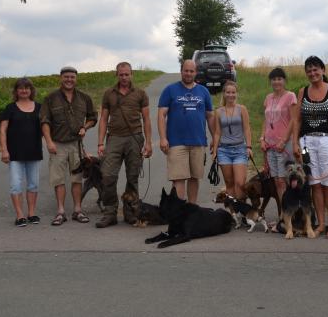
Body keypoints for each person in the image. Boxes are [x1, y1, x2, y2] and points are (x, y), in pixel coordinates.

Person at [292, 56, 328, 239]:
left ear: (323, 70)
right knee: (314, 182)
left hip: (327, 141)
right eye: (309, 70)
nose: (313, 73)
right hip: (307, 142)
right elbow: (297, 120)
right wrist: (295, 143)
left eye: (316, 69)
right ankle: (321, 223)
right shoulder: (303, 91)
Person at [95, 62, 153, 228]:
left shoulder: (140, 94)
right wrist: (100, 143)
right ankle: (110, 212)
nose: (124, 77)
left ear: (131, 74)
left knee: (132, 177)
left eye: (127, 74)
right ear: (117, 75)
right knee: (107, 175)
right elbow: (104, 119)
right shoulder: (108, 94)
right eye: (121, 74)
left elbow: (146, 119)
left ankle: (131, 212)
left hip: (135, 138)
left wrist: (148, 143)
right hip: (114, 138)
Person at [40, 66, 97, 226]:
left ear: (76, 79)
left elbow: (93, 117)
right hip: (57, 144)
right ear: (61, 78)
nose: (69, 80)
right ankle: (60, 212)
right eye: (66, 77)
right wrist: (49, 142)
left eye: (72, 77)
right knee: (58, 180)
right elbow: (44, 121)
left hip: (76, 145)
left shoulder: (84, 98)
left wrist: (85, 127)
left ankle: (78, 210)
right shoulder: (50, 98)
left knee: (77, 179)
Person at [157, 59, 215, 204]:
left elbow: (210, 116)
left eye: (191, 71)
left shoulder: (203, 91)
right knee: (179, 178)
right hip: (176, 143)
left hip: (198, 141)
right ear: (181, 71)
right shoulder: (170, 90)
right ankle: (179, 211)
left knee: (194, 177)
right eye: (186, 70)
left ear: (195, 72)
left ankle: (192, 209)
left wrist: (215, 138)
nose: (188, 74)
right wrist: (163, 138)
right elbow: (161, 115)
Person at [0, 78, 43, 227]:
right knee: (16, 185)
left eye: (27, 88)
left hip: (34, 152)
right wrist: (4, 150)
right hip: (15, 153)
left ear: (31, 90)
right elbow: (3, 130)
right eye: (21, 88)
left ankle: (31, 213)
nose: (24, 91)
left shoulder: (39, 108)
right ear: (16, 91)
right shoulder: (10, 108)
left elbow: (47, 128)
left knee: (33, 184)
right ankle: (20, 215)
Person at [259, 67, 297, 209]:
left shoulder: (290, 96)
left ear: (284, 80)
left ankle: (290, 214)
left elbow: (294, 120)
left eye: (279, 79)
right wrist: (262, 139)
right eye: (274, 79)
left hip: (284, 145)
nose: (276, 82)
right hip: (269, 145)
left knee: (284, 180)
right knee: (276, 180)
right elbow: (266, 120)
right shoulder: (268, 98)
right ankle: (283, 215)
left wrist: (284, 140)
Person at [212, 81, 253, 199]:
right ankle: (232, 214)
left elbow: (247, 129)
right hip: (224, 151)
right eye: (228, 92)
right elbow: (217, 133)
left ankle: (241, 210)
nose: (231, 95)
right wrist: (215, 151)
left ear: (236, 94)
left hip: (240, 149)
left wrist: (249, 147)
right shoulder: (219, 111)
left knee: (240, 184)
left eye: (233, 92)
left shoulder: (242, 109)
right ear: (224, 94)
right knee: (229, 184)